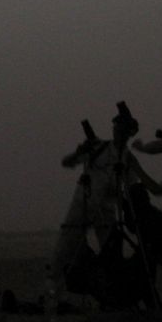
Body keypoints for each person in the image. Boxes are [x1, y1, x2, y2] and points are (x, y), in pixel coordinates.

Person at [49, 104, 140, 299]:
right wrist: (79, 152)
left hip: (106, 212)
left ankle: (110, 294)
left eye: (122, 128)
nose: (118, 131)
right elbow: (67, 162)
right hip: (83, 205)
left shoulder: (127, 159)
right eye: (116, 127)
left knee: (111, 252)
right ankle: (54, 289)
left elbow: (132, 186)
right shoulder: (98, 148)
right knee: (66, 248)